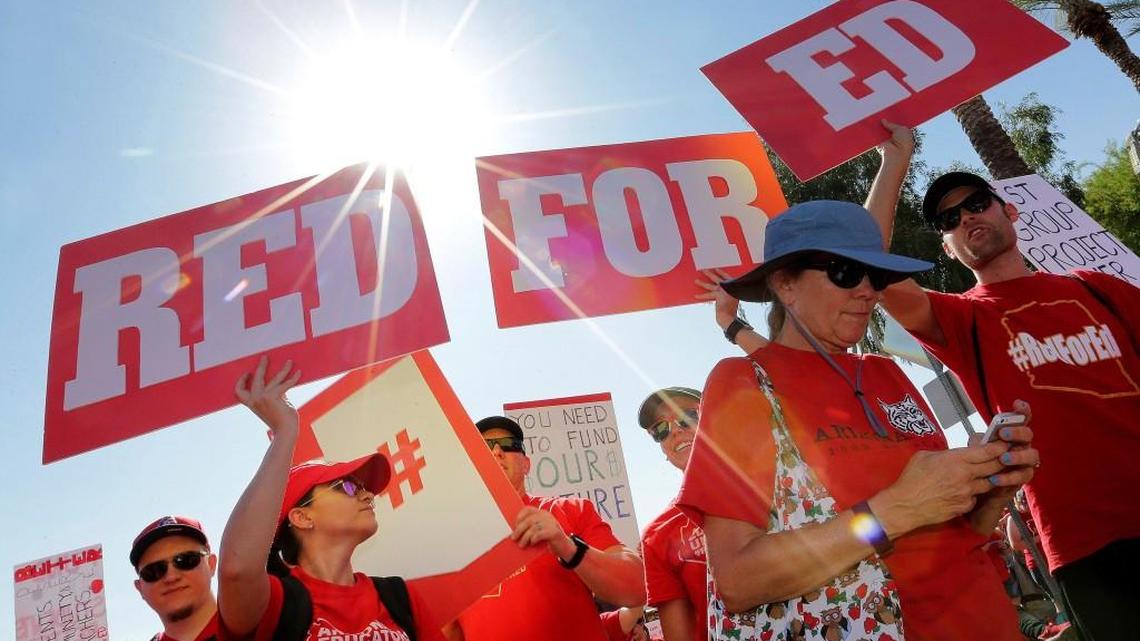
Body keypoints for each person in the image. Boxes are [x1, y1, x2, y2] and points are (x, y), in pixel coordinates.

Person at [677, 200, 1038, 640]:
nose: (867, 291)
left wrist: (992, 488)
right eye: (846, 272)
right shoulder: (744, 382)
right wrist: (891, 511)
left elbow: (955, 530)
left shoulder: (885, 372)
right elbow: (737, 580)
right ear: (784, 284)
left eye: (877, 276)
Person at [867, 122, 1140, 641]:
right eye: (950, 219)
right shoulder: (960, 320)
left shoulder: (1097, 289)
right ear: (947, 249)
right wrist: (895, 159)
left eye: (977, 203)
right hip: (1084, 546)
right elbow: (865, 261)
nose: (967, 215)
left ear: (1008, 210)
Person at [216, 357, 442, 641]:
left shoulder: (400, 598)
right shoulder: (276, 604)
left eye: (363, 487)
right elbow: (236, 570)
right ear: (301, 516)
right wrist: (286, 433)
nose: (367, 493)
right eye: (347, 486)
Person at [449, 415, 645, 641]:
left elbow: (637, 587)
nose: (496, 452)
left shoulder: (570, 510)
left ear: (526, 464)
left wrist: (569, 549)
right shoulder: (454, 546)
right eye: (484, 448)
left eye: (508, 445)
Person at [636, 387, 709, 641]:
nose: (675, 430)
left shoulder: (775, 488)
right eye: (660, 429)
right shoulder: (657, 536)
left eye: (688, 417)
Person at [131, 516, 218, 641]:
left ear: (211, 564)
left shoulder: (251, 628)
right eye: (154, 570)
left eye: (185, 560)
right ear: (140, 588)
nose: (171, 577)